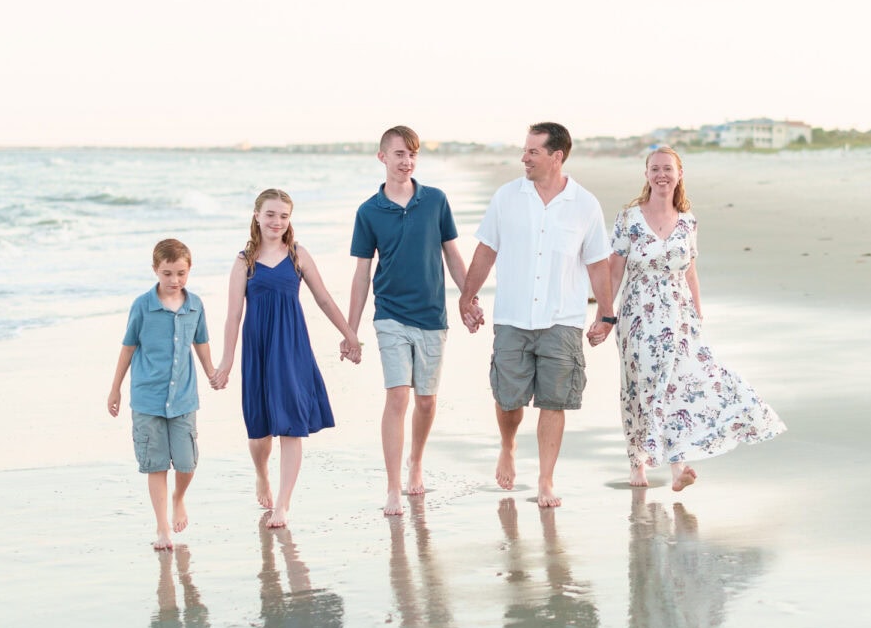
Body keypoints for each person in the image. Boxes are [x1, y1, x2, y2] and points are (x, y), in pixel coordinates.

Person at [608, 146, 786, 491]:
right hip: (638, 316)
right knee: (641, 387)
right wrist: (605, 315)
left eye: (668, 169)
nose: (662, 175)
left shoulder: (688, 220)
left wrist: (698, 313)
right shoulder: (628, 218)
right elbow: (614, 272)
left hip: (679, 316)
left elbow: (691, 272)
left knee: (679, 385)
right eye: (655, 169)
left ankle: (678, 467)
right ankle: (637, 462)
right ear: (646, 174)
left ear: (679, 174)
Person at [458, 122, 615, 508]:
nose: (524, 158)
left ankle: (546, 480)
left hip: (562, 318)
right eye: (525, 150)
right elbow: (485, 250)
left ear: (556, 156)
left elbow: (598, 264)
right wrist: (468, 297)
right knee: (508, 398)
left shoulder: (584, 204)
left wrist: (606, 315)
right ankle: (508, 445)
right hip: (512, 315)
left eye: (533, 151)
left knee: (554, 400)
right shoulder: (507, 197)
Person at [346, 125, 480, 516]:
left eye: (412, 155)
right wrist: (350, 330)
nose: (406, 161)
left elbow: (452, 255)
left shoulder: (435, 201)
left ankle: (416, 462)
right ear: (382, 157)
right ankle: (391, 487)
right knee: (398, 395)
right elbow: (361, 274)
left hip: (432, 316)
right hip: (390, 314)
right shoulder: (369, 211)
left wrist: (467, 298)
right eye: (399, 153)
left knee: (425, 400)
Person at [213, 188, 361, 528]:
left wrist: (349, 334)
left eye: (283, 215)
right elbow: (233, 315)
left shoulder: (298, 254)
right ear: (256, 216)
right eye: (270, 214)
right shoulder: (243, 261)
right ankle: (262, 473)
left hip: (291, 346)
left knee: (291, 424)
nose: (276, 221)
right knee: (259, 431)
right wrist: (226, 362)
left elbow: (323, 298)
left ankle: (283, 504)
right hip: (258, 347)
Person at [107, 238, 220, 549]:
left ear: (189, 270)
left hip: (184, 398)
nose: (175, 280)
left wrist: (211, 372)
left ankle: (179, 498)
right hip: (147, 398)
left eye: (181, 273)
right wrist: (115, 388)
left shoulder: (195, 305)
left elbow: (201, 342)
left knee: (187, 462)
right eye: (168, 273)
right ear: (156, 270)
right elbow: (128, 348)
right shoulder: (142, 306)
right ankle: (162, 530)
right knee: (155, 464)